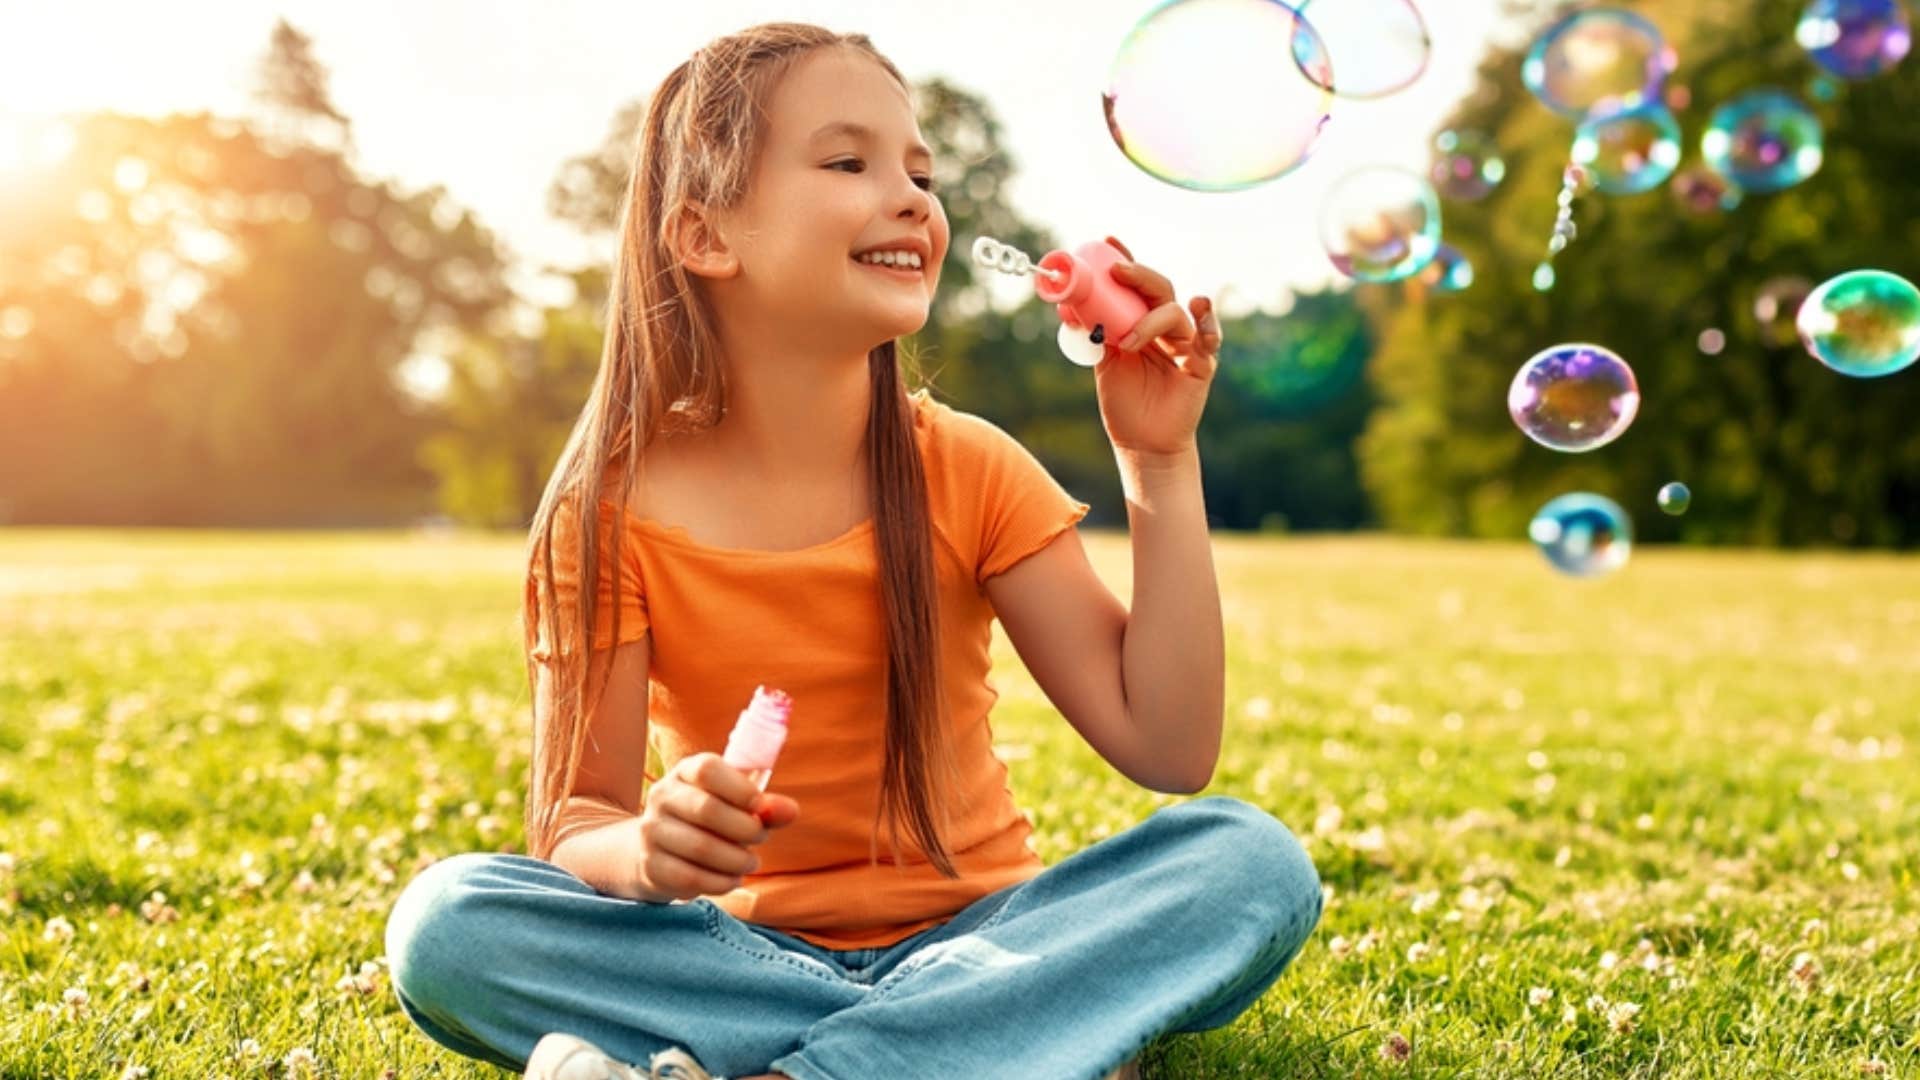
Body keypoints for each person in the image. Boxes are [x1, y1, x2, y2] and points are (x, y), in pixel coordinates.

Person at [383, 21, 1322, 1080]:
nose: (915, 198)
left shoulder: (969, 467)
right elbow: (575, 821)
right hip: (742, 955)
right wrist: (643, 851)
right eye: (849, 163)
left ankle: (815, 1064)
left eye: (921, 172)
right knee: (448, 922)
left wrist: (1158, 462)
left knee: (1248, 864)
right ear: (703, 235)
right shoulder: (606, 513)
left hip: (989, 939)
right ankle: (990, 1045)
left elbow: (1169, 744)